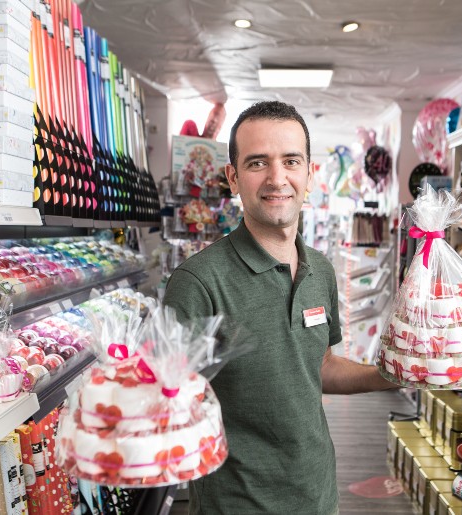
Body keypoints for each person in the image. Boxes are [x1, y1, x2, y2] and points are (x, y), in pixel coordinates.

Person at [163, 101, 397, 515]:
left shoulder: (320, 270)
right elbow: (166, 402)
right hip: (235, 506)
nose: (277, 178)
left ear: (310, 173)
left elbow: (319, 367)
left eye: (291, 161)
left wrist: (396, 375)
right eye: (257, 163)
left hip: (319, 497)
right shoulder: (197, 283)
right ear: (233, 177)